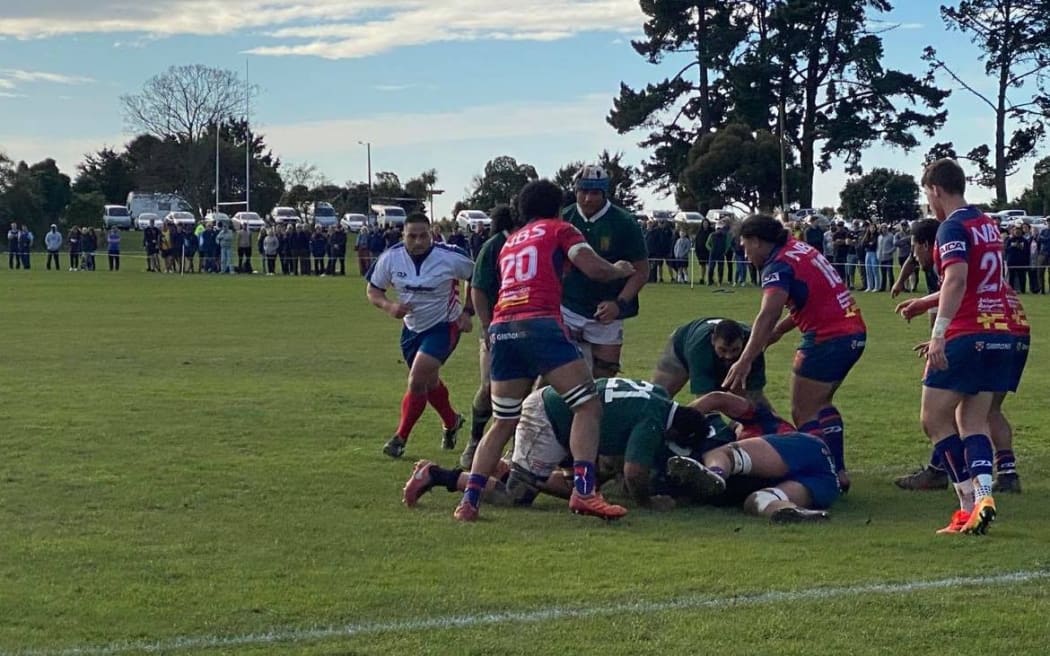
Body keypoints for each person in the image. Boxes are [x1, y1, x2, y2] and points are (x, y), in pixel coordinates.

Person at [456, 179, 636, 522]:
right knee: (587, 405)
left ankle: (470, 500)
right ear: (557, 207)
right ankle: (584, 492)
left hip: (502, 327)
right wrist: (619, 270)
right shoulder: (559, 229)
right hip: (539, 324)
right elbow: (595, 268)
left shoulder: (510, 242)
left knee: (503, 420)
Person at [894, 160, 1029, 534]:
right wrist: (924, 301)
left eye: (927, 194)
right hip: (1001, 328)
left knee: (933, 419)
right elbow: (975, 280)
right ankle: (984, 494)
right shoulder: (986, 223)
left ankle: (967, 503)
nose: (928, 203)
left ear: (935, 189)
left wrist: (938, 332)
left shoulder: (950, 226)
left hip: (969, 331)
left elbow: (956, 279)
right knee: (971, 420)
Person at [404, 377, 711, 511]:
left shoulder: (659, 394)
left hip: (563, 410)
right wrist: (648, 501)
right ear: (675, 434)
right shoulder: (654, 422)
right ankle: (436, 475)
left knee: (597, 475)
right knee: (517, 497)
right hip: (550, 420)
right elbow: (633, 472)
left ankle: (509, 468)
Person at [723, 214, 866, 492]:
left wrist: (745, 359)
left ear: (757, 241)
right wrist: (781, 330)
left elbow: (768, 312)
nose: (744, 252)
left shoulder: (778, 265)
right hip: (854, 332)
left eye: (744, 245)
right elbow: (814, 298)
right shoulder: (800, 249)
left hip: (827, 339)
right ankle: (838, 470)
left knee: (804, 410)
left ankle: (820, 473)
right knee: (822, 403)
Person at [366, 213, 474, 459]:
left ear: (432, 234)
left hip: (444, 326)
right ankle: (451, 421)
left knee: (417, 378)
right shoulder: (391, 258)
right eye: (412, 236)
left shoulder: (450, 256)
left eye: (423, 235)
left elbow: (477, 279)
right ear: (403, 235)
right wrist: (389, 306)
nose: (417, 241)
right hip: (411, 329)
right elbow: (373, 290)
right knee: (429, 381)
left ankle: (400, 438)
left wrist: (468, 311)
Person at [560, 165, 649, 378]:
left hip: (606, 314)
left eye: (594, 193)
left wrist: (619, 304)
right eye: (583, 191)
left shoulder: (624, 222)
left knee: (605, 377)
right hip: (568, 307)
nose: (588, 199)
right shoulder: (564, 217)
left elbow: (641, 270)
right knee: (556, 376)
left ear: (604, 193)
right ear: (575, 190)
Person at [664, 431, 840, 523]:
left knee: (725, 454)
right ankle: (788, 511)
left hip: (802, 450)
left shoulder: (751, 416)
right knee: (758, 499)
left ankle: (715, 474)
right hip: (826, 480)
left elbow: (719, 399)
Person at [458, 204, 517, 469]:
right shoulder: (495, 246)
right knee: (489, 387)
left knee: (530, 393)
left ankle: (519, 451)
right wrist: (487, 326)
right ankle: (474, 439)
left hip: (532, 327)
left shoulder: (537, 239)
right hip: (498, 328)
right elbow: (478, 289)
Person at [651, 317, 770, 407]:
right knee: (657, 397)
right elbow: (705, 399)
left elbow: (755, 395)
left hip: (733, 351)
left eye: (735, 350)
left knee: (754, 405)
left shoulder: (753, 346)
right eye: (723, 350)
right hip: (682, 346)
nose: (728, 356)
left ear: (743, 340)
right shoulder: (700, 348)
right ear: (713, 340)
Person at [1004, 223, 1029, 294]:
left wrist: (1020, 247)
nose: (1017, 232)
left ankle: (1023, 290)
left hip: (1021, 262)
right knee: (1011, 277)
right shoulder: (1010, 240)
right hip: (1012, 262)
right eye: (1016, 231)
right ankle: (1011, 290)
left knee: (1022, 277)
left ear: (1021, 232)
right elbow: (1006, 250)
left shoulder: (1024, 240)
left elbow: (1027, 251)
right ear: (1013, 231)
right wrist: (1012, 246)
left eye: (1019, 231)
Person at [877, 224, 897, 292]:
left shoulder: (891, 236)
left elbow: (895, 246)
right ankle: (883, 287)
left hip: (889, 258)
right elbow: (878, 247)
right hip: (881, 258)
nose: (884, 229)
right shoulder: (879, 237)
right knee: (883, 274)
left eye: (885, 227)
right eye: (882, 228)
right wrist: (878, 255)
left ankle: (892, 287)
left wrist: (890, 252)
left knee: (890, 273)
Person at [694, 219, 713, 284]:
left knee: (709, 266)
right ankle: (702, 278)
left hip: (708, 252)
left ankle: (709, 279)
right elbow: (696, 241)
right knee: (702, 266)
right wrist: (696, 250)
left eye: (706, 223)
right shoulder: (699, 232)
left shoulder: (711, 231)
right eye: (704, 223)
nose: (705, 224)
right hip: (701, 252)